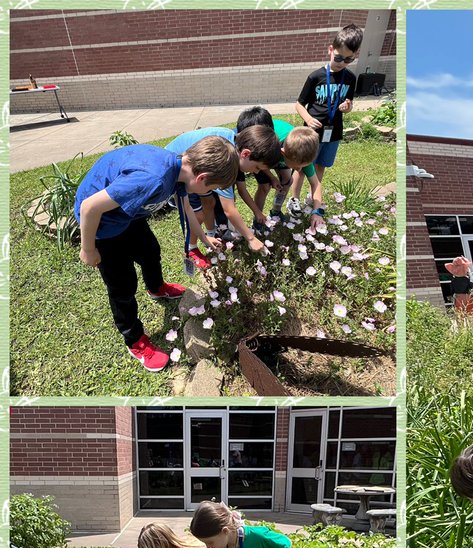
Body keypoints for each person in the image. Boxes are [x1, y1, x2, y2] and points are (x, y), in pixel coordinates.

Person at [74, 137, 238, 371]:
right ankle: (134, 339)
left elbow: (187, 207)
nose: (209, 192)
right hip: (103, 224)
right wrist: (88, 249)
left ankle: (156, 287)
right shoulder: (154, 179)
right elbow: (89, 207)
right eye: (210, 189)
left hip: (127, 216)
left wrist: (203, 237)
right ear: (201, 178)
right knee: (123, 285)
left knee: (150, 251)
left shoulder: (181, 168)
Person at [162, 124, 278, 252]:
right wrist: (251, 238)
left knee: (210, 201)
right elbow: (229, 209)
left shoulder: (232, 141)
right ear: (245, 154)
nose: (256, 173)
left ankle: (211, 235)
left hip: (194, 168)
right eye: (257, 168)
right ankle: (192, 248)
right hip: (177, 171)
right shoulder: (226, 162)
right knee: (197, 215)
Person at [294, 23, 362, 190]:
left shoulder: (350, 78)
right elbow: (299, 104)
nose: (342, 63)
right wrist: (308, 119)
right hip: (312, 133)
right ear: (331, 50)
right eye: (338, 57)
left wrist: (348, 107)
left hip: (334, 132)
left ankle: (313, 197)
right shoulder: (316, 77)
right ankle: (294, 199)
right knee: (303, 167)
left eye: (348, 59)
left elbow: (349, 103)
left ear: (355, 56)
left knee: (321, 166)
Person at [234, 105, 322, 230]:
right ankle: (258, 219)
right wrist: (271, 177)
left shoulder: (301, 154)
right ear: (283, 154)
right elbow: (260, 164)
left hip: (277, 153)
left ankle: (276, 211)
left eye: (302, 167)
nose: (299, 170)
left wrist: (316, 211)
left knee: (287, 180)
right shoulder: (272, 149)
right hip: (260, 151)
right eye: (296, 167)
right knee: (265, 186)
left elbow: (316, 184)